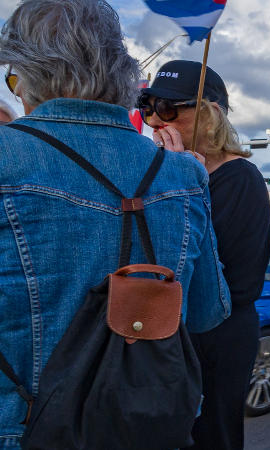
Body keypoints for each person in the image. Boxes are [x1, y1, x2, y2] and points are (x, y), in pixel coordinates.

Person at [0, 1, 230, 447]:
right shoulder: (183, 172)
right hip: (146, 425)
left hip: (21, 429)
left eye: (12, 79)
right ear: (118, 70)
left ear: (28, 75)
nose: (16, 93)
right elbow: (205, 312)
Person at [138, 60, 270, 450]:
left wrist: (186, 183)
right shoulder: (164, 170)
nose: (153, 121)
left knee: (213, 435)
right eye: (148, 107)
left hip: (217, 333)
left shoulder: (240, 178)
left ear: (209, 116)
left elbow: (224, 279)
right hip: (166, 327)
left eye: (167, 109)